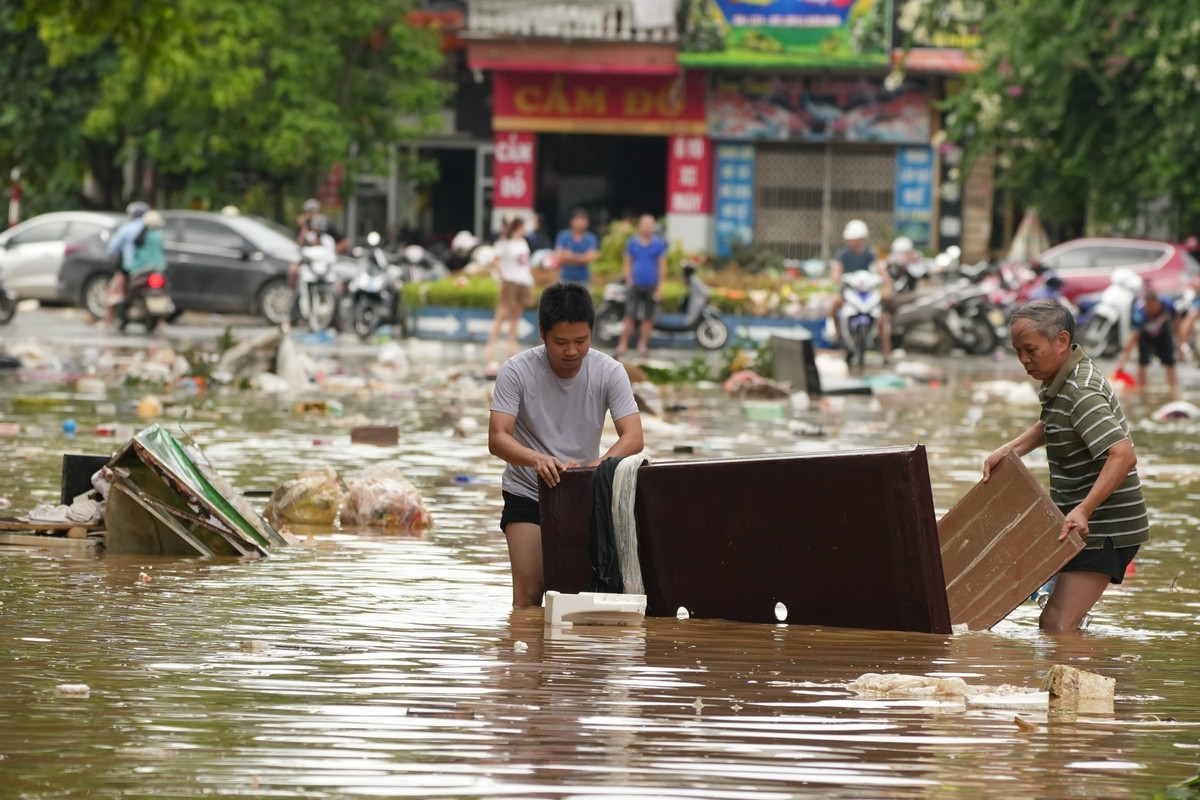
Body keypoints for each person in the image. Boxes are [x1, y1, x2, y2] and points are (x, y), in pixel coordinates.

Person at [983, 299, 1149, 632]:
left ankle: (1095, 678)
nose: (1024, 360)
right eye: (1017, 351)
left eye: (1030, 350)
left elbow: (1123, 455)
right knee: (1063, 620)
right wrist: (1010, 450)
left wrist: (1085, 510)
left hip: (1106, 527)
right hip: (1080, 521)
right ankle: (1096, 665)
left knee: (1055, 625)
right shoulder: (1061, 378)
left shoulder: (1081, 389)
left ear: (1061, 341)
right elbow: (1054, 423)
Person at [488, 282, 644, 607]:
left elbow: (633, 436)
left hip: (582, 493)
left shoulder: (610, 371)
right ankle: (525, 657)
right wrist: (536, 459)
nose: (571, 351)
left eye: (581, 341)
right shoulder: (516, 371)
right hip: (528, 492)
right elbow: (498, 437)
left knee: (579, 598)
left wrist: (595, 468)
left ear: (592, 333)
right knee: (530, 595)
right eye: (560, 342)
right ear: (542, 332)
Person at [827, 218, 891, 361]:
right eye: (850, 239)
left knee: (881, 318)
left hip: (866, 293)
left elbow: (881, 270)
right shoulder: (843, 254)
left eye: (855, 239)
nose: (852, 242)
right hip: (849, 291)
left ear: (862, 239)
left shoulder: (869, 254)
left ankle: (886, 353)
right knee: (835, 305)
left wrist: (887, 284)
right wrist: (836, 277)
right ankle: (837, 332)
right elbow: (836, 271)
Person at [484, 216, 534, 369]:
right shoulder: (503, 244)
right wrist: (503, 277)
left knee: (516, 315)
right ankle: (490, 346)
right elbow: (495, 261)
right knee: (501, 314)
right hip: (510, 281)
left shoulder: (523, 243)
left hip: (523, 280)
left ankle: (511, 346)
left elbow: (525, 263)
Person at [616, 214, 667, 359]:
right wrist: (629, 279)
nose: (647, 228)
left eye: (650, 225)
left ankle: (643, 345)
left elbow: (662, 265)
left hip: (651, 284)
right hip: (635, 284)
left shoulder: (658, 244)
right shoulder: (632, 243)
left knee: (648, 317)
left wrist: (660, 286)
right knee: (630, 315)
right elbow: (627, 262)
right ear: (639, 227)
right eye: (645, 225)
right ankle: (622, 344)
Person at [1114, 287, 1178, 394]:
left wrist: (1179, 344)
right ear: (1146, 305)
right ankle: (1142, 390)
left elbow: (1176, 322)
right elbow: (1133, 338)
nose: (1153, 310)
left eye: (1155, 307)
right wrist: (1122, 362)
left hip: (1163, 333)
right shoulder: (1139, 314)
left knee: (1170, 361)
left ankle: (1173, 389)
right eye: (1150, 308)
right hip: (1145, 335)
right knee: (1142, 361)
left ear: (1159, 303)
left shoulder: (1168, 305)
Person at [103, 201, 150, 327]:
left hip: (130, 267)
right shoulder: (153, 229)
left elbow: (113, 248)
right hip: (153, 268)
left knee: (114, 292)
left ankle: (108, 321)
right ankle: (161, 324)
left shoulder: (127, 228)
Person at [554, 208, 598, 286]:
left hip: (584, 279)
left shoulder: (591, 238)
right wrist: (582, 257)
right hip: (566, 278)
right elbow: (559, 256)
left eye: (583, 220)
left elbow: (591, 257)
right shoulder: (563, 236)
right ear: (572, 221)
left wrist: (570, 256)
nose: (580, 223)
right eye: (578, 220)